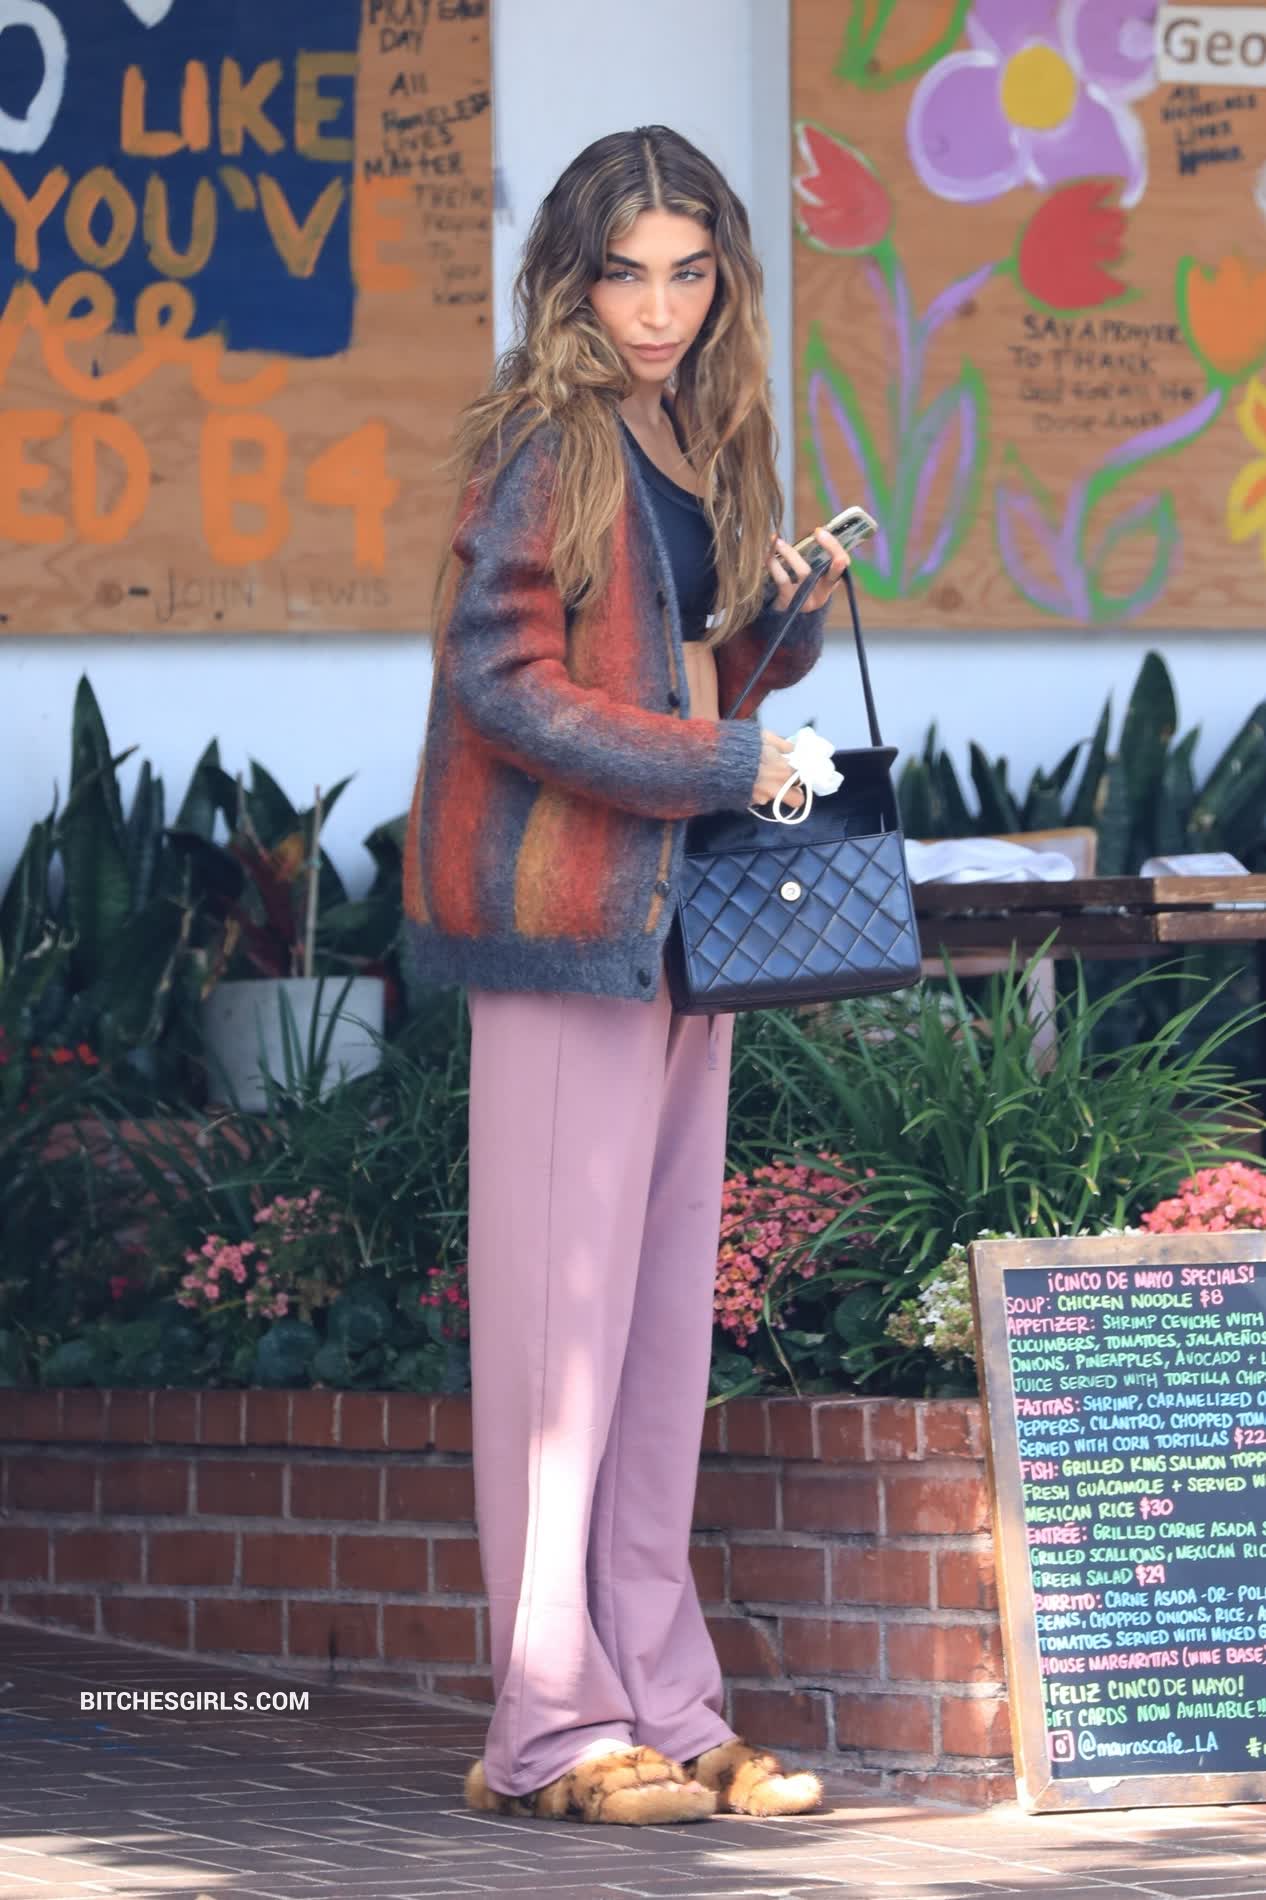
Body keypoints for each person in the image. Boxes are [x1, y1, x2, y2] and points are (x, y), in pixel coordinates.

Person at [402, 125, 850, 1827]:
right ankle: (548, 1724)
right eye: (625, 273)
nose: (658, 308)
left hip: (675, 931)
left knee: (656, 1340)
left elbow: (691, 675)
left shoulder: (694, 432)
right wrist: (729, 764)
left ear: (722, 279)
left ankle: (666, 1701)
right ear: (571, 279)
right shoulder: (549, 438)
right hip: (563, 926)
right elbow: (503, 682)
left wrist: (785, 620)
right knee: (559, 1346)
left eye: (688, 273)